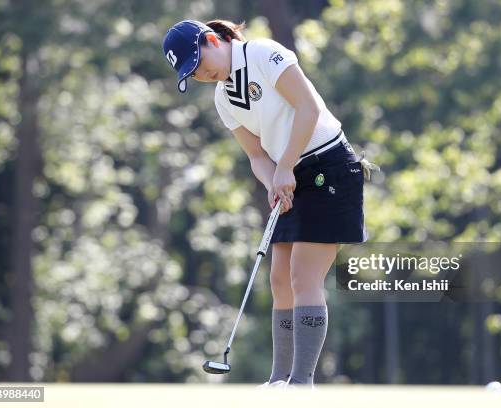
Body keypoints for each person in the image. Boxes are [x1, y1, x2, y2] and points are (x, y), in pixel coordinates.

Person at [162, 19, 378, 388]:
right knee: (280, 280)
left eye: (199, 62)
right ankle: (279, 380)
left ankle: (301, 383)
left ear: (214, 39)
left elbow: (307, 109)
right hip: (291, 176)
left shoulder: (264, 53)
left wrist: (285, 167)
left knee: (302, 276)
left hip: (330, 166)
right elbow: (256, 155)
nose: (202, 73)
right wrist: (273, 181)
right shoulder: (223, 98)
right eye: (192, 73)